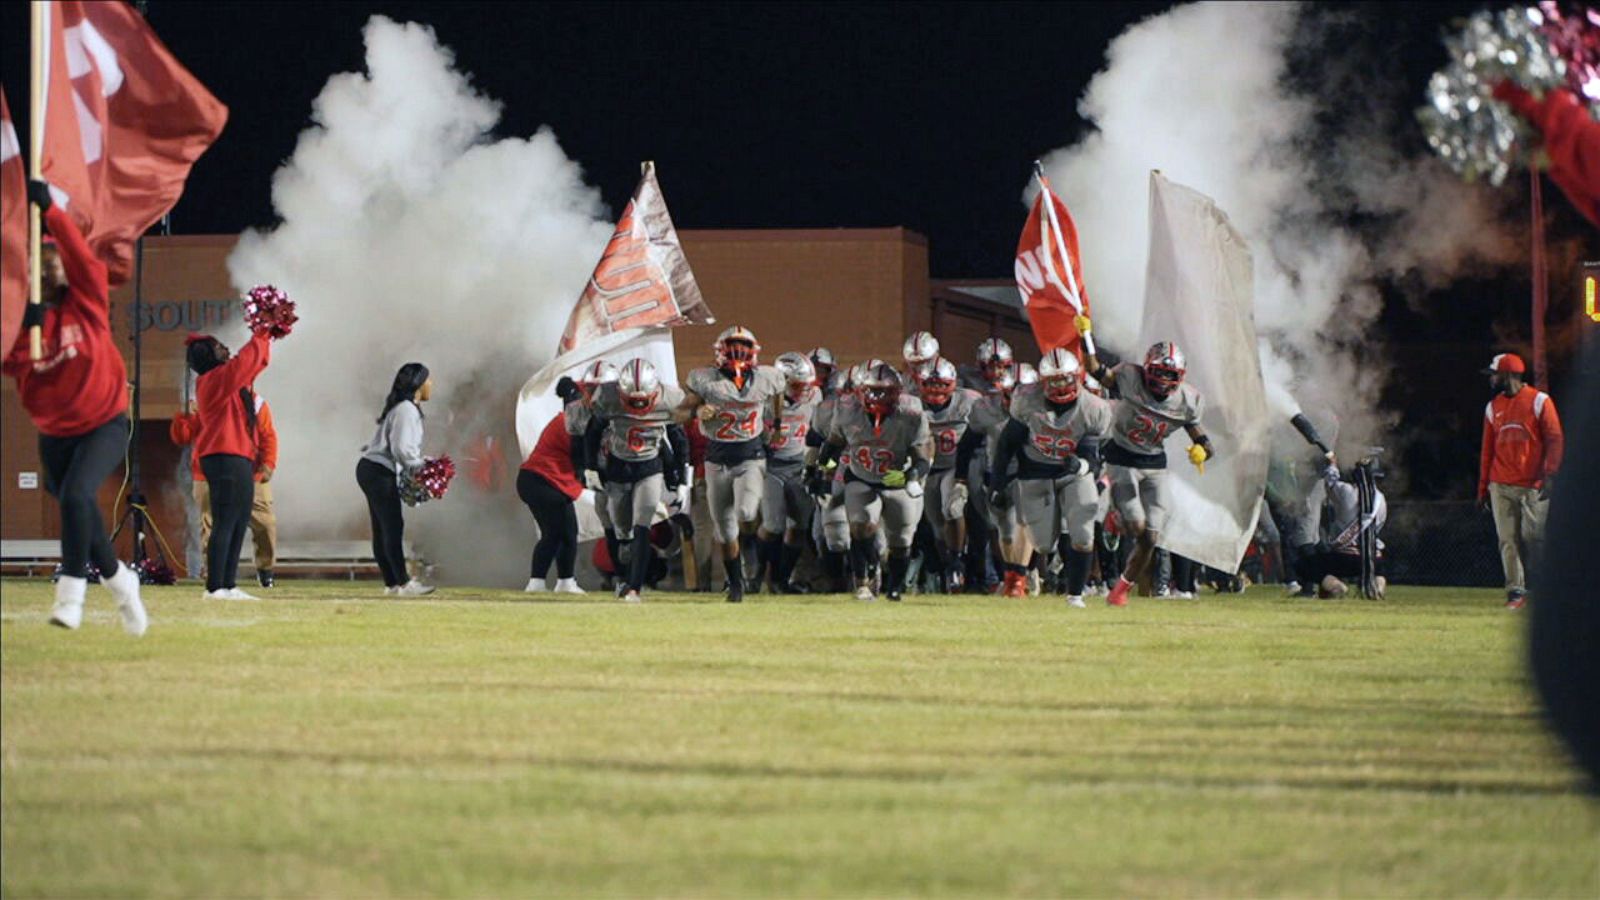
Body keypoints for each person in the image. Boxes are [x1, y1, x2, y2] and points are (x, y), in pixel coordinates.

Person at [2, 179, 146, 635]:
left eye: (53, 264)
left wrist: (52, 215)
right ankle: (122, 583)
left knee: (77, 497)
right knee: (76, 506)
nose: (49, 271)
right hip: (56, 433)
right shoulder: (22, 333)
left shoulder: (86, 304)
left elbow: (86, 263)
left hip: (104, 421)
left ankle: (71, 597)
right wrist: (15, 324)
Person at [1078, 317, 1214, 608]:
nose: (1164, 380)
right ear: (1147, 368)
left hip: (1154, 465)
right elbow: (1093, 369)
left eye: (1170, 373)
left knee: (1151, 536)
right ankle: (1116, 521)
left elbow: (1201, 436)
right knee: (1136, 525)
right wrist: (1085, 336)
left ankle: (1120, 590)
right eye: (1159, 372)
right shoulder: (1129, 377)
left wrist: (1202, 449)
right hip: (1121, 459)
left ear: (1181, 375)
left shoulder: (1188, 401)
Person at [991, 349, 1112, 608]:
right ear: (1041, 382)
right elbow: (1006, 444)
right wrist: (998, 483)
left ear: (1077, 377)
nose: (1059, 386)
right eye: (1053, 380)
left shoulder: (1093, 408)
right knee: (1043, 544)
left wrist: (1079, 465)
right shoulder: (1026, 400)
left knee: (1083, 532)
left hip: (1074, 474)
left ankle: (1075, 595)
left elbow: (1092, 455)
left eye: (1064, 379)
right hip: (1036, 473)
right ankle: (1053, 562)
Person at [678, 326, 787, 602]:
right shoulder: (705, 381)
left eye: (742, 347)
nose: (738, 353)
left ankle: (750, 555)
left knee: (746, 512)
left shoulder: (767, 378)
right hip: (716, 460)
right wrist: (696, 411)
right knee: (724, 530)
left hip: (750, 457)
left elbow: (779, 393)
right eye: (732, 347)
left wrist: (776, 423)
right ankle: (736, 586)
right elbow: (677, 413)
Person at [812, 362, 932, 601]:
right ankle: (863, 582)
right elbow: (834, 446)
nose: (876, 396)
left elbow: (923, 456)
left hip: (897, 481)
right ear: (860, 390)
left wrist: (911, 476)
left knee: (901, 540)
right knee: (860, 525)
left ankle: (895, 588)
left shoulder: (912, 413)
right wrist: (823, 472)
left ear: (897, 392)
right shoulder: (847, 409)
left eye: (884, 391)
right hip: (861, 477)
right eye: (871, 390)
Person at [584, 358, 687, 603]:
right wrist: (590, 468)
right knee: (623, 533)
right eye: (632, 400)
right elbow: (592, 432)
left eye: (643, 401)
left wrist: (683, 480)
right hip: (618, 470)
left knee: (643, 524)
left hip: (650, 469)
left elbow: (679, 439)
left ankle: (634, 589)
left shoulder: (669, 399)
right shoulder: (608, 397)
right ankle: (622, 576)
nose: (638, 406)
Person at [187, 327, 278, 601]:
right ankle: (215, 586)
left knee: (238, 521)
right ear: (210, 357)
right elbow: (245, 363)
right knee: (225, 522)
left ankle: (228, 584)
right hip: (223, 456)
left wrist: (268, 336)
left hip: (238, 456)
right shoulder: (213, 380)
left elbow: (255, 363)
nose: (226, 350)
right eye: (219, 348)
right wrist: (261, 330)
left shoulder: (228, 382)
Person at [1477, 352, 1563, 610]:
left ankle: (1545, 589)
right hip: (1500, 484)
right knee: (1508, 539)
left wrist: (1551, 473)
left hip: (1532, 484)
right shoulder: (1493, 407)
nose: (1492, 379)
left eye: (1495, 374)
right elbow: (1487, 451)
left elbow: (1555, 438)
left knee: (1534, 537)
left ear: (1509, 374)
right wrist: (1483, 487)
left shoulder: (1539, 401)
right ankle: (1515, 592)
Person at [170, 391, 280, 587]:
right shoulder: (201, 400)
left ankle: (265, 569)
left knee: (265, 523)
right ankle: (215, 574)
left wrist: (268, 463)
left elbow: (267, 435)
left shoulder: (255, 402)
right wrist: (186, 415)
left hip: (250, 472)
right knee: (210, 525)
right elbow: (182, 436)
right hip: (208, 473)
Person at [358, 363, 437, 596]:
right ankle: (403, 583)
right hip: (379, 470)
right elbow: (402, 449)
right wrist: (424, 464)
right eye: (428, 380)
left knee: (382, 529)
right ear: (418, 384)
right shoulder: (406, 410)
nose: (431, 384)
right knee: (392, 527)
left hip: (371, 468)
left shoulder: (401, 408)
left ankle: (391, 584)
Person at [917, 358, 983, 593]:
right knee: (936, 526)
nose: (935, 391)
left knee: (952, 509)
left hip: (956, 467)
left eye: (941, 385)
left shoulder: (970, 401)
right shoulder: (912, 404)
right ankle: (947, 568)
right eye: (930, 385)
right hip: (926, 471)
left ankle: (957, 565)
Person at [757, 352, 821, 593]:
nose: (803, 391)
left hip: (800, 466)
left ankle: (780, 580)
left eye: (807, 385)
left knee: (799, 526)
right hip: (771, 465)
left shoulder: (816, 398)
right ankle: (758, 575)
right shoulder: (765, 400)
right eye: (796, 385)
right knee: (773, 525)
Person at [517, 376, 587, 594]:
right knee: (554, 533)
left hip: (544, 481)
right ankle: (537, 582)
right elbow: (582, 456)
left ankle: (564, 581)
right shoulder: (568, 424)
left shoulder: (567, 420)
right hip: (541, 481)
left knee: (567, 533)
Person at [1294, 456, 1387, 598]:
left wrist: (1332, 463)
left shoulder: (1346, 491)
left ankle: (1336, 587)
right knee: (1379, 568)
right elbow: (1378, 526)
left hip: (1345, 559)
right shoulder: (1381, 499)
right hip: (1374, 558)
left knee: (1304, 565)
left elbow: (1331, 480)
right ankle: (1378, 586)